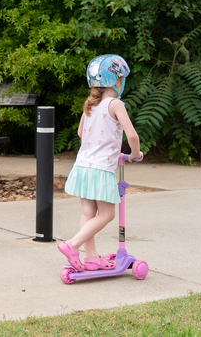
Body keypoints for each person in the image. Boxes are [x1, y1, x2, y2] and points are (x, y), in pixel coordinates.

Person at [57, 54, 143, 271]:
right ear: (116, 80)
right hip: (100, 170)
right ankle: (72, 245)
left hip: (82, 167)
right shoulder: (115, 104)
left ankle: (92, 258)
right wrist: (134, 154)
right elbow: (132, 136)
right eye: (122, 79)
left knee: (88, 214)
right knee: (107, 214)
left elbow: (79, 132)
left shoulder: (90, 105)